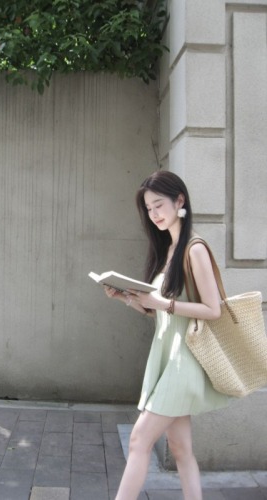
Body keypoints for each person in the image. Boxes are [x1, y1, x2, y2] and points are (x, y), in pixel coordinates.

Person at [104, 171, 230, 500]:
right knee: (181, 449)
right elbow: (162, 312)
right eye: (148, 208)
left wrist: (162, 303)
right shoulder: (171, 248)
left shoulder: (194, 249)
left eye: (159, 204)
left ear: (180, 201)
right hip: (168, 359)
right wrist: (129, 299)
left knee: (138, 440)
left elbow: (213, 309)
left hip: (182, 363)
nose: (155, 213)